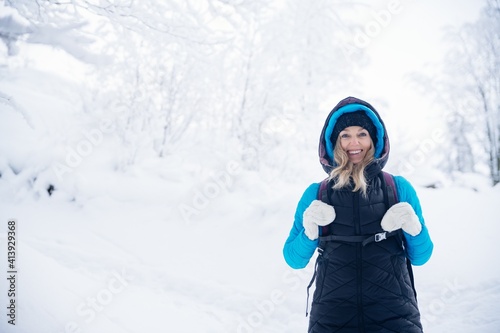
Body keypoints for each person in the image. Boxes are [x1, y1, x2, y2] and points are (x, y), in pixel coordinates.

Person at [283, 96, 433, 333]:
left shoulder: (398, 187)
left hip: (394, 315)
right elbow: (293, 258)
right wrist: (309, 231)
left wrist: (414, 228)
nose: (354, 143)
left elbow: (421, 256)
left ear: (374, 139)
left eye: (362, 133)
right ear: (334, 142)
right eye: (345, 135)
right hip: (332, 318)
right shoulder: (316, 193)